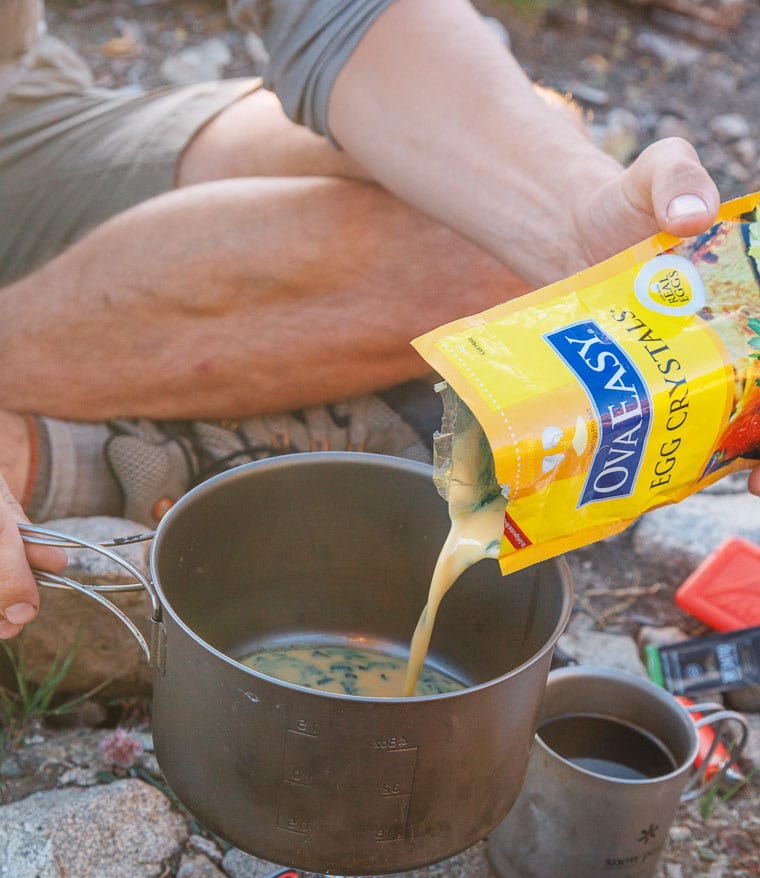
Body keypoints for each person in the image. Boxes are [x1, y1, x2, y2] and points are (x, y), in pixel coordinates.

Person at [0, 0, 727, 638]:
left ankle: (102, 430)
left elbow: (347, 10)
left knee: (493, 202)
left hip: (19, 118)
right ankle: (69, 461)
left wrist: (569, 223)